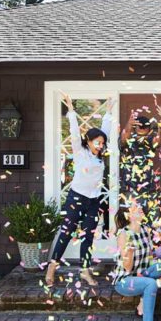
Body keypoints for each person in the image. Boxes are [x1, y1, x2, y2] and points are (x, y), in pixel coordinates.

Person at [46, 94, 113, 287]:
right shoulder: (80, 152)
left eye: (102, 142)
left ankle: (85, 270)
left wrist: (108, 112)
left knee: (88, 236)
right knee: (66, 233)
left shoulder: (99, 154)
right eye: (97, 142)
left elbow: (105, 130)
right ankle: (52, 267)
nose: (100, 145)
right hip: (76, 198)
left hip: (94, 200)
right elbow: (75, 133)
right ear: (89, 141)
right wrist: (71, 111)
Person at [112, 202, 161, 321]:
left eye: (139, 206)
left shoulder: (145, 230)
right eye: (136, 207)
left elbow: (149, 260)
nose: (141, 208)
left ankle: (142, 301)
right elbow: (127, 267)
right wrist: (128, 252)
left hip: (142, 275)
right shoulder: (123, 234)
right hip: (125, 280)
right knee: (151, 284)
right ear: (128, 215)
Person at [119, 103, 161, 217]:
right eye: (139, 126)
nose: (141, 128)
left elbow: (159, 140)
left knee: (153, 221)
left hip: (149, 189)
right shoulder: (128, 139)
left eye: (144, 126)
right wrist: (129, 124)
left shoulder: (151, 139)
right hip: (129, 188)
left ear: (149, 128)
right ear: (135, 126)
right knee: (129, 221)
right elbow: (124, 138)